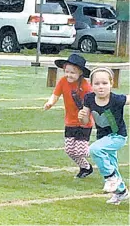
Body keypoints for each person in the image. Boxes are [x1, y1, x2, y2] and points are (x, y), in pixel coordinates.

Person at [78, 67, 129, 205]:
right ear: (91, 85)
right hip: (103, 138)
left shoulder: (116, 99)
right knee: (112, 164)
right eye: (97, 83)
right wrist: (82, 116)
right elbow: (84, 121)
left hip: (118, 136)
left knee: (94, 149)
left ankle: (111, 178)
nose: (101, 87)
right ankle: (121, 192)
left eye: (105, 83)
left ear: (111, 84)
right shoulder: (89, 98)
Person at [44, 54, 93, 178]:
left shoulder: (86, 86)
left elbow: (92, 102)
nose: (69, 75)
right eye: (67, 72)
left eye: (73, 73)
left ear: (80, 73)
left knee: (80, 150)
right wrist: (50, 103)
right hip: (70, 122)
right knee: (70, 150)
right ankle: (86, 167)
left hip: (84, 123)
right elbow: (55, 95)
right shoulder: (62, 81)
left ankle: (99, 150)